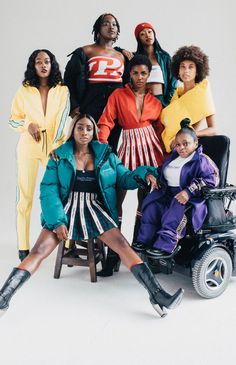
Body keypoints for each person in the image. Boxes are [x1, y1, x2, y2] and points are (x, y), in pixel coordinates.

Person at [0, 114, 184, 318]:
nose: (84, 132)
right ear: (73, 130)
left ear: (94, 132)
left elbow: (124, 177)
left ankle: (157, 295)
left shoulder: (106, 155)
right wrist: (58, 221)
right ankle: (3, 299)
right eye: (80, 128)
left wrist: (144, 174)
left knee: (122, 245)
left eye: (88, 128)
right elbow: (48, 190)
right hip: (65, 211)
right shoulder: (58, 157)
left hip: (95, 209)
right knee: (38, 251)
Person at [97, 54, 164, 276]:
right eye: (135, 72)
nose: (139, 77)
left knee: (145, 203)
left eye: (143, 73)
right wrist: (104, 148)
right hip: (126, 146)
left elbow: (160, 130)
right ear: (129, 73)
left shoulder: (155, 102)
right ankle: (113, 256)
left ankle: (136, 253)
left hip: (150, 150)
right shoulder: (118, 95)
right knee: (117, 199)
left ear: (148, 74)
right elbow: (106, 121)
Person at [9, 49, 70, 261]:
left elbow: (63, 120)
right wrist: (28, 124)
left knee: (61, 193)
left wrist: (56, 146)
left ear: (52, 65)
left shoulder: (62, 91)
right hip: (28, 147)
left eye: (47, 61)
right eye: (38, 62)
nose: (43, 65)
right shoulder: (24, 91)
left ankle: (67, 243)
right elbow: (12, 120)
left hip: (53, 147)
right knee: (24, 197)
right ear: (33, 66)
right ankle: (23, 247)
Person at [134, 118, 219, 258]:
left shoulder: (201, 160)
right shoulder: (173, 157)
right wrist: (153, 177)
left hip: (189, 200)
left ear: (196, 143)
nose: (181, 148)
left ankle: (165, 245)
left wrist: (189, 191)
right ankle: (145, 241)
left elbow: (212, 179)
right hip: (167, 193)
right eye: (178, 144)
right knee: (151, 205)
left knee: (175, 211)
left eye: (186, 144)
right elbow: (161, 170)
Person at [64, 13, 131, 153]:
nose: (111, 27)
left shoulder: (122, 55)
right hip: (93, 100)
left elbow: (128, 82)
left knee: (111, 143)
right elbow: (69, 78)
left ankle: (108, 174)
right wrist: (74, 105)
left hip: (116, 102)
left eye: (114, 24)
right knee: (89, 141)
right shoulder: (86, 51)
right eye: (106, 24)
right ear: (98, 29)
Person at [161, 45, 217, 153]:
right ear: (178, 70)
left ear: (197, 70)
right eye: (182, 66)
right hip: (170, 148)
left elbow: (213, 129)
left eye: (191, 67)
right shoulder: (176, 94)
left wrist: (187, 136)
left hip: (186, 148)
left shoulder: (201, 93)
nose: (186, 70)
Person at [134, 22, 177, 107]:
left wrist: (167, 102)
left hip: (160, 100)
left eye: (150, 32)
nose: (147, 35)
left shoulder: (165, 57)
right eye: (142, 34)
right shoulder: (136, 59)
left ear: (154, 34)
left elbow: (173, 81)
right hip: (142, 101)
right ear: (139, 39)